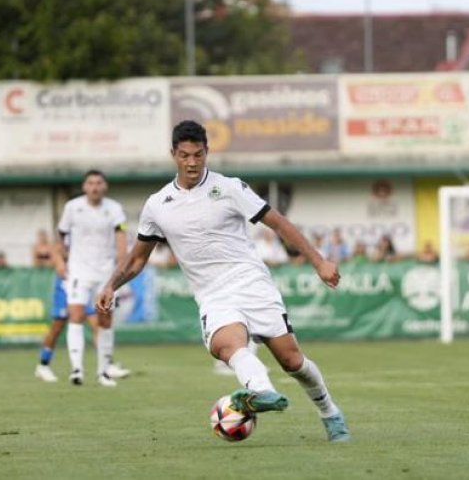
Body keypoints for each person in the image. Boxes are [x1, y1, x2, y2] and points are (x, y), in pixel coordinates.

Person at [96, 120, 351, 442]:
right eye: (185, 155)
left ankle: (331, 414)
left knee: (292, 361)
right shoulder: (157, 205)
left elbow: (279, 222)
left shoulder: (229, 187)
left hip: (251, 281)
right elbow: (136, 259)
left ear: (207, 152)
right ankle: (261, 390)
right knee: (226, 345)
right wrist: (110, 285)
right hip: (212, 293)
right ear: (173, 154)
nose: (192, 163)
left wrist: (319, 262)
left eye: (198, 155)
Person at [54, 170, 130, 387]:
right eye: (90, 183)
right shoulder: (72, 207)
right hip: (78, 271)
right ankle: (77, 369)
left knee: (105, 319)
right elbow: (60, 234)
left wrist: (121, 266)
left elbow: (121, 236)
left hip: (106, 273)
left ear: (104, 186)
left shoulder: (114, 209)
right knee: (76, 315)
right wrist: (59, 261)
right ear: (85, 186)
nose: (95, 187)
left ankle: (103, 372)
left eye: (99, 183)